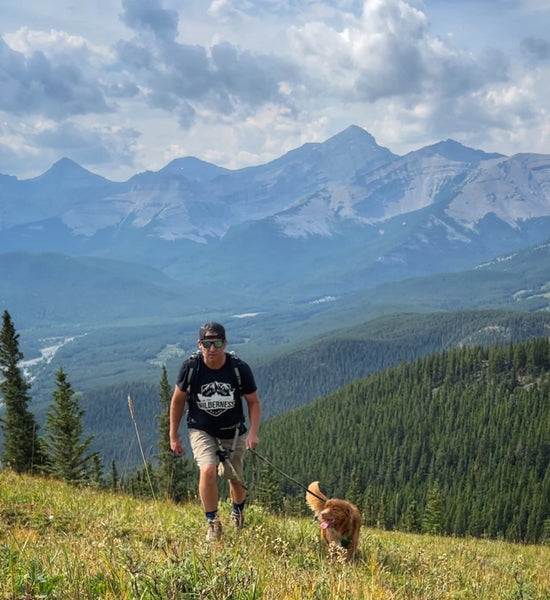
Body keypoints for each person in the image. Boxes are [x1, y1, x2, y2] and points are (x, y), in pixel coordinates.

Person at [169, 321, 261, 541]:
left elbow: (254, 402)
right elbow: (177, 402)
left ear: (225, 343)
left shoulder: (239, 369)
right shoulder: (191, 368)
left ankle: (237, 512)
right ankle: (213, 523)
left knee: (235, 479)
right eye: (207, 343)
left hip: (234, 431)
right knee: (208, 470)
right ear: (199, 344)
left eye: (217, 343)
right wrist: (173, 436)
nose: (212, 349)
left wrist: (253, 433)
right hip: (202, 429)